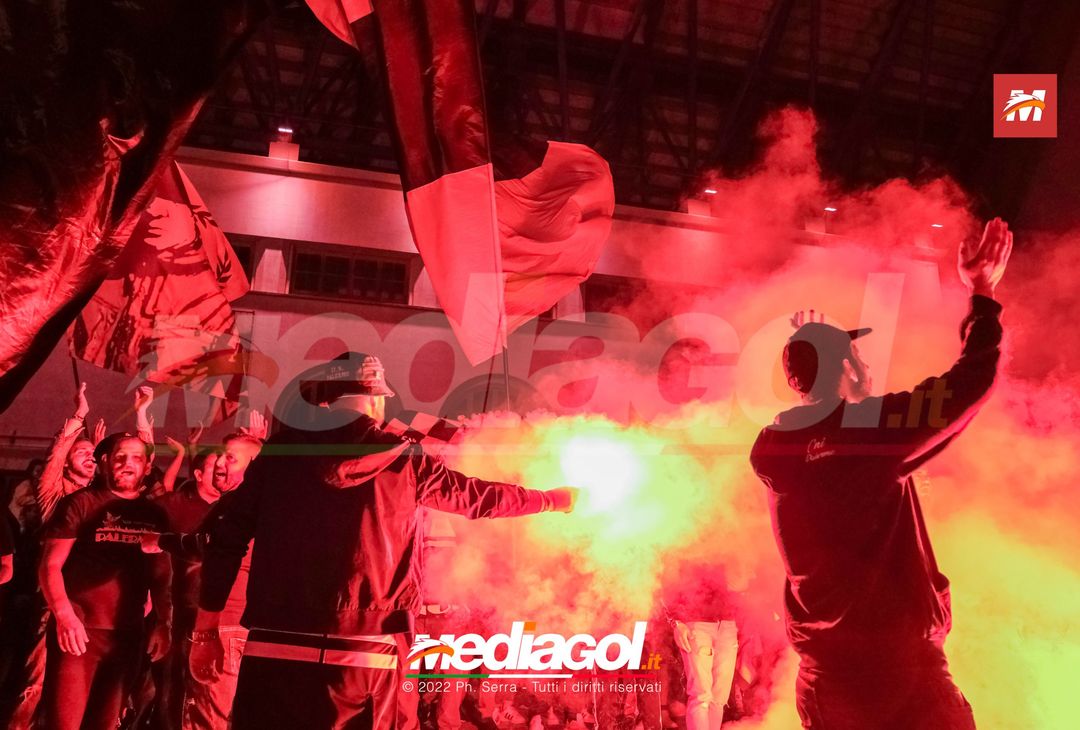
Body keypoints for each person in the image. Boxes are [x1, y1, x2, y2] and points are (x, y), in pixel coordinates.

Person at [190, 352, 578, 729]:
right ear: (377, 400)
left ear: (326, 400)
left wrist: (206, 630)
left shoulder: (278, 455)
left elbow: (225, 539)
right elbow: (479, 499)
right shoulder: (404, 458)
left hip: (274, 645)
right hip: (368, 649)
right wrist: (552, 499)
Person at [749, 218, 1012, 729]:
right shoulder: (866, 431)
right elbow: (969, 382)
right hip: (899, 679)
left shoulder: (774, 445)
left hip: (824, 680)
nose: (866, 365)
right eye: (857, 355)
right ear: (846, 368)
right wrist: (983, 293)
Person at [38, 435, 173, 730]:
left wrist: (164, 623)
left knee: (105, 723)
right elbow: (50, 565)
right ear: (105, 462)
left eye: (137, 458)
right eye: (120, 457)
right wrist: (64, 615)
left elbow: (161, 575)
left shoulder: (154, 514)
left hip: (126, 635)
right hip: (78, 632)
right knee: (64, 723)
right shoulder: (81, 503)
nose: (128, 464)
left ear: (147, 467)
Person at [145, 421, 265, 730]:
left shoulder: (236, 505)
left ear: (253, 465)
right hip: (253, 628)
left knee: (207, 716)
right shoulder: (273, 503)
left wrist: (160, 541)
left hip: (223, 627)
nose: (220, 464)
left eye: (230, 458)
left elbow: (204, 546)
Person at [661, 559, 741, 730]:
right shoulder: (686, 541)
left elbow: (742, 580)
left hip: (727, 624)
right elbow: (665, 583)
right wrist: (676, 622)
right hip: (697, 624)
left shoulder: (728, 541)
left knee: (719, 698)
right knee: (701, 695)